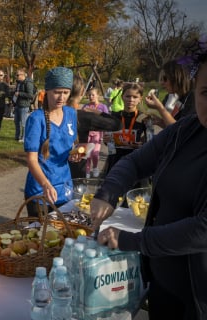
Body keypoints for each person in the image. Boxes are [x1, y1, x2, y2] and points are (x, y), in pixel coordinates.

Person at [90, 38, 207, 319]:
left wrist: (133, 240)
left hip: (199, 298)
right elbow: (136, 161)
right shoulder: (186, 130)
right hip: (163, 285)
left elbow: (203, 229)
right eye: (206, 92)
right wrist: (109, 192)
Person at [24, 67, 81, 216]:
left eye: (65, 92)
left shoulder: (70, 113)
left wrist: (74, 153)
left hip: (64, 189)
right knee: (40, 235)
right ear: (47, 91)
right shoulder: (36, 119)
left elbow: (71, 144)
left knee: (63, 233)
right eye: (57, 92)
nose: (61, 97)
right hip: (40, 191)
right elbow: (31, 160)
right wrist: (45, 185)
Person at [103, 82, 147, 175]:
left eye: (135, 97)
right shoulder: (114, 116)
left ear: (140, 99)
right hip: (115, 161)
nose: (131, 99)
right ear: (122, 97)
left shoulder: (146, 118)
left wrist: (142, 144)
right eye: (128, 96)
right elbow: (108, 143)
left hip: (135, 161)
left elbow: (151, 141)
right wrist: (107, 140)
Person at [145, 59, 195, 127]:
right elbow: (175, 127)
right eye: (161, 79)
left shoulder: (193, 98)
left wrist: (160, 108)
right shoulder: (181, 97)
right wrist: (161, 122)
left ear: (177, 77)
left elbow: (181, 131)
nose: (161, 83)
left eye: (165, 79)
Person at [82, 87, 109, 178]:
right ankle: (87, 171)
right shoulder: (85, 106)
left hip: (98, 134)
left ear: (98, 95)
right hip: (87, 133)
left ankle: (96, 167)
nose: (91, 96)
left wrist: (106, 133)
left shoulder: (103, 107)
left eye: (93, 94)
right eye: (89, 95)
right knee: (87, 154)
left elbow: (107, 119)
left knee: (95, 153)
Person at [13, 67, 35, 142]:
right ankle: (17, 136)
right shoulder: (19, 82)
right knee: (16, 121)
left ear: (23, 75)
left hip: (24, 106)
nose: (16, 76)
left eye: (17, 75)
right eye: (16, 75)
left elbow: (30, 95)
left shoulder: (28, 83)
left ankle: (24, 138)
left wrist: (19, 93)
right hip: (17, 104)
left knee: (23, 123)